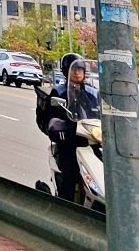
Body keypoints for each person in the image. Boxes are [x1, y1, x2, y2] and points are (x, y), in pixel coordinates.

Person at [42, 55, 100, 202]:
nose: (77, 73)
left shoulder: (91, 93)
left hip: (89, 140)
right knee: (70, 174)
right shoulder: (59, 92)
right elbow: (52, 117)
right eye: (73, 69)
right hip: (70, 142)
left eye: (80, 69)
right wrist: (59, 127)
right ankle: (66, 208)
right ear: (66, 71)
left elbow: (99, 112)